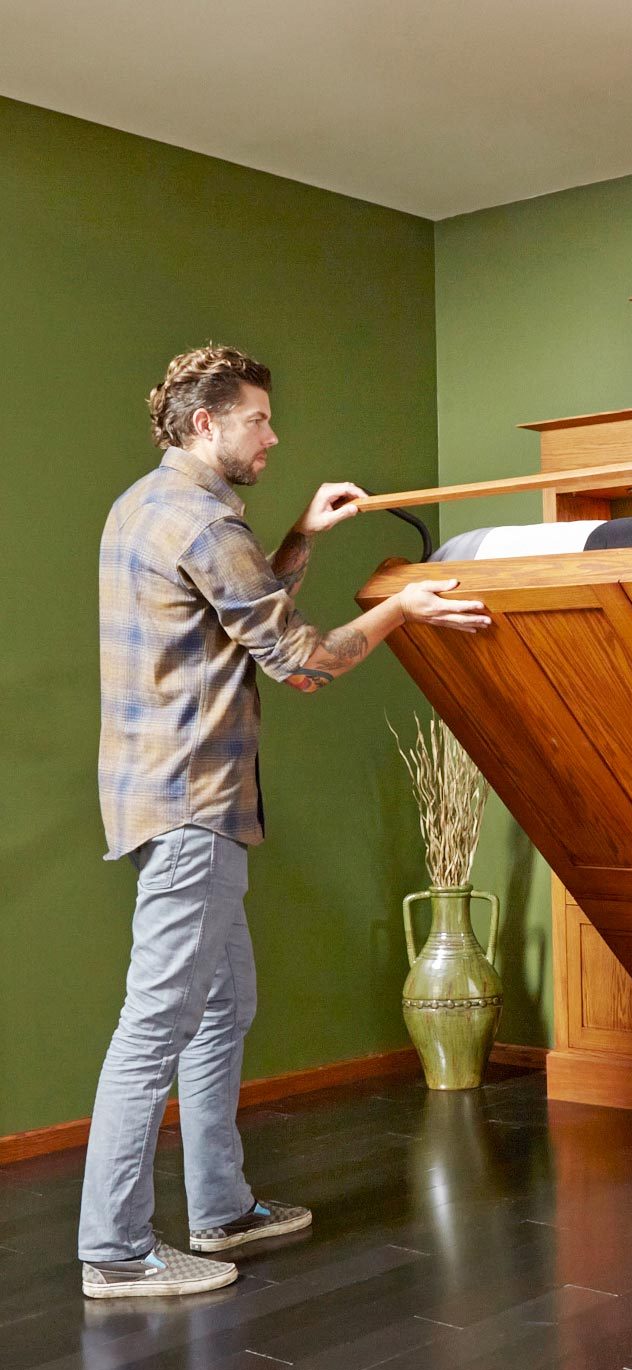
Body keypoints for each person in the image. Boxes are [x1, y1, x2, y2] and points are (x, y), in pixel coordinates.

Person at [80, 344, 489, 1298]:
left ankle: (219, 1209)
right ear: (205, 424)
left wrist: (301, 535)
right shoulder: (204, 520)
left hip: (164, 797)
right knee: (155, 1028)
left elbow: (245, 614)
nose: (275, 433)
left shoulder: (148, 504)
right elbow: (301, 662)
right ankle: (115, 1251)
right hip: (193, 808)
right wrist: (404, 610)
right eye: (259, 419)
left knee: (223, 1008)